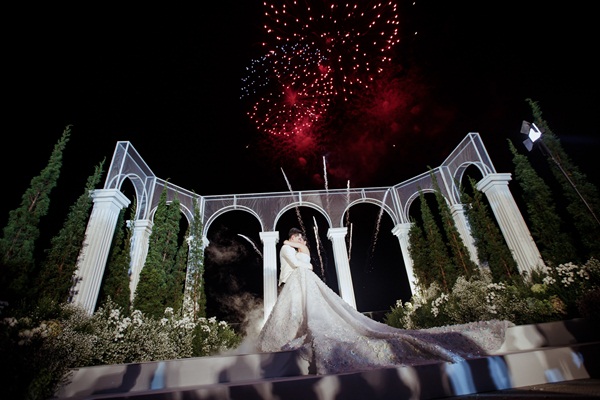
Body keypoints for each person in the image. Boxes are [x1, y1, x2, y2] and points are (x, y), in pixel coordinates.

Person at [257, 227, 513, 375]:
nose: (301, 240)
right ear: (292, 237)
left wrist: (305, 254)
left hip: (305, 282)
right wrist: (300, 252)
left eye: (302, 238)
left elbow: (309, 265)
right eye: (298, 237)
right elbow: (300, 266)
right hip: (294, 283)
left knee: (313, 311)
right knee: (295, 313)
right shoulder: (285, 248)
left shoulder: (298, 248)